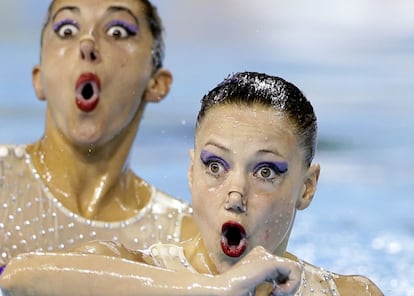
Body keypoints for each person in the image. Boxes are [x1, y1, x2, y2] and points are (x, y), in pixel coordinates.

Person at [1, 72, 384, 295]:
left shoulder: (350, 294)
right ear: (190, 171)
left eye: (265, 172)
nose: (236, 196)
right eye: (215, 165)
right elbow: (19, 279)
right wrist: (215, 290)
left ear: (307, 187)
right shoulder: (127, 271)